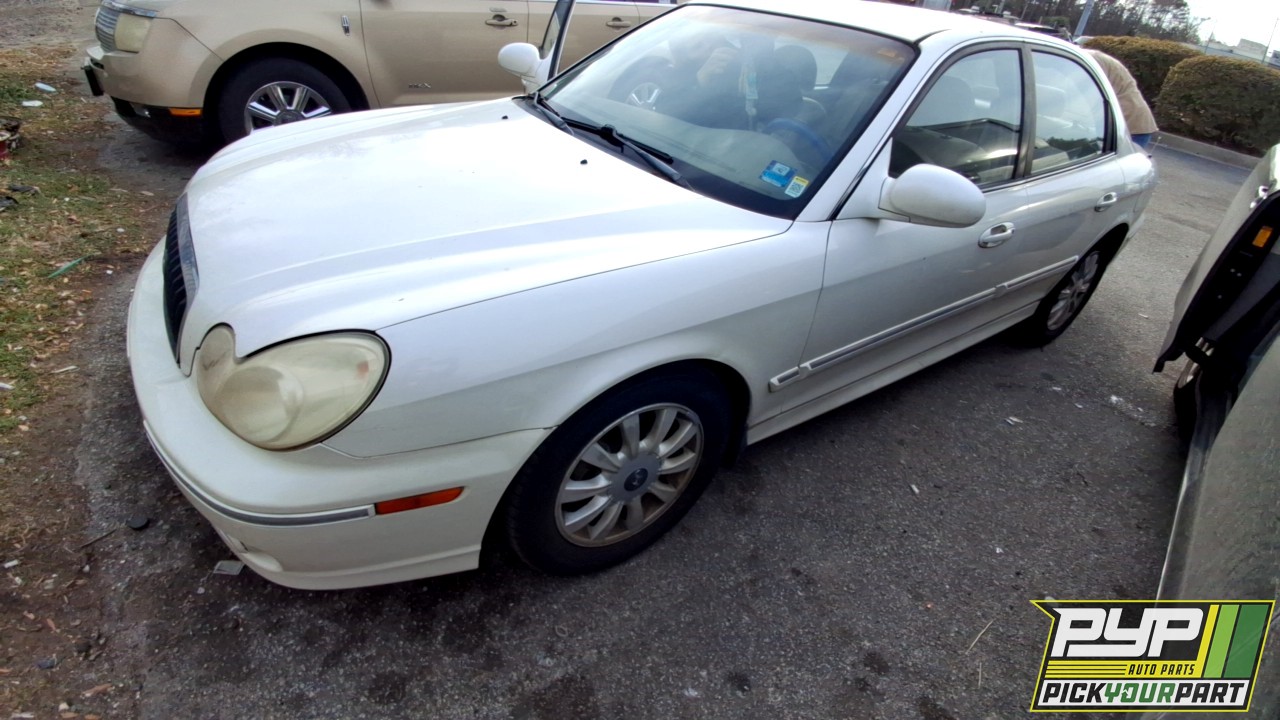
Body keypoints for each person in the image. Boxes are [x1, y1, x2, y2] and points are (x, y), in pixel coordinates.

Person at [1084, 49, 1158, 149]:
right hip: (1118, 122)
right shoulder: (1089, 57)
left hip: (1129, 126)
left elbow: (1090, 94)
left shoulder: (1089, 60)